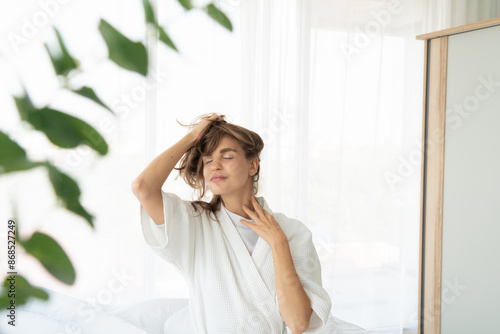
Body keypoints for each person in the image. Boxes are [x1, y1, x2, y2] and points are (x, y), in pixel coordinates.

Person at [131, 113, 332, 334]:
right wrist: (194, 136)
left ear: (252, 166)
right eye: (208, 160)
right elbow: (143, 187)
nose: (215, 166)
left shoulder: (292, 232)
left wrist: (278, 243)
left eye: (226, 156)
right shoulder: (194, 225)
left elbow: (298, 323)